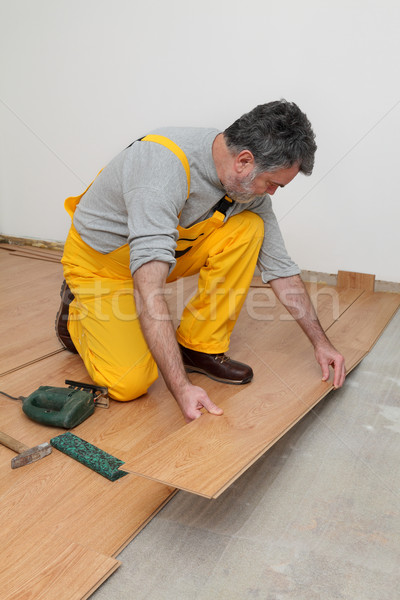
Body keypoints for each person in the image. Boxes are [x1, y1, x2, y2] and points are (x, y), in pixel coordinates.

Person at [56, 100, 346, 422]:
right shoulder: (162, 167)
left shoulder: (247, 187)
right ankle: (77, 314)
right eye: (273, 183)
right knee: (130, 383)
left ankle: (199, 345)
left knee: (250, 227)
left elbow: (280, 269)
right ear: (244, 161)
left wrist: (322, 344)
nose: (273, 193)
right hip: (103, 266)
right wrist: (182, 388)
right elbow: (148, 289)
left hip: (166, 255)